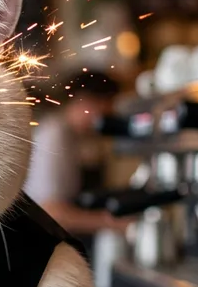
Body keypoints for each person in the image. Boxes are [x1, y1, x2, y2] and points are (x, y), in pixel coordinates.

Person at [24, 69, 129, 245]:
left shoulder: (69, 135)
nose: (106, 117)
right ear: (86, 100)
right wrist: (117, 223)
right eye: (106, 107)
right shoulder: (54, 135)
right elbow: (52, 212)